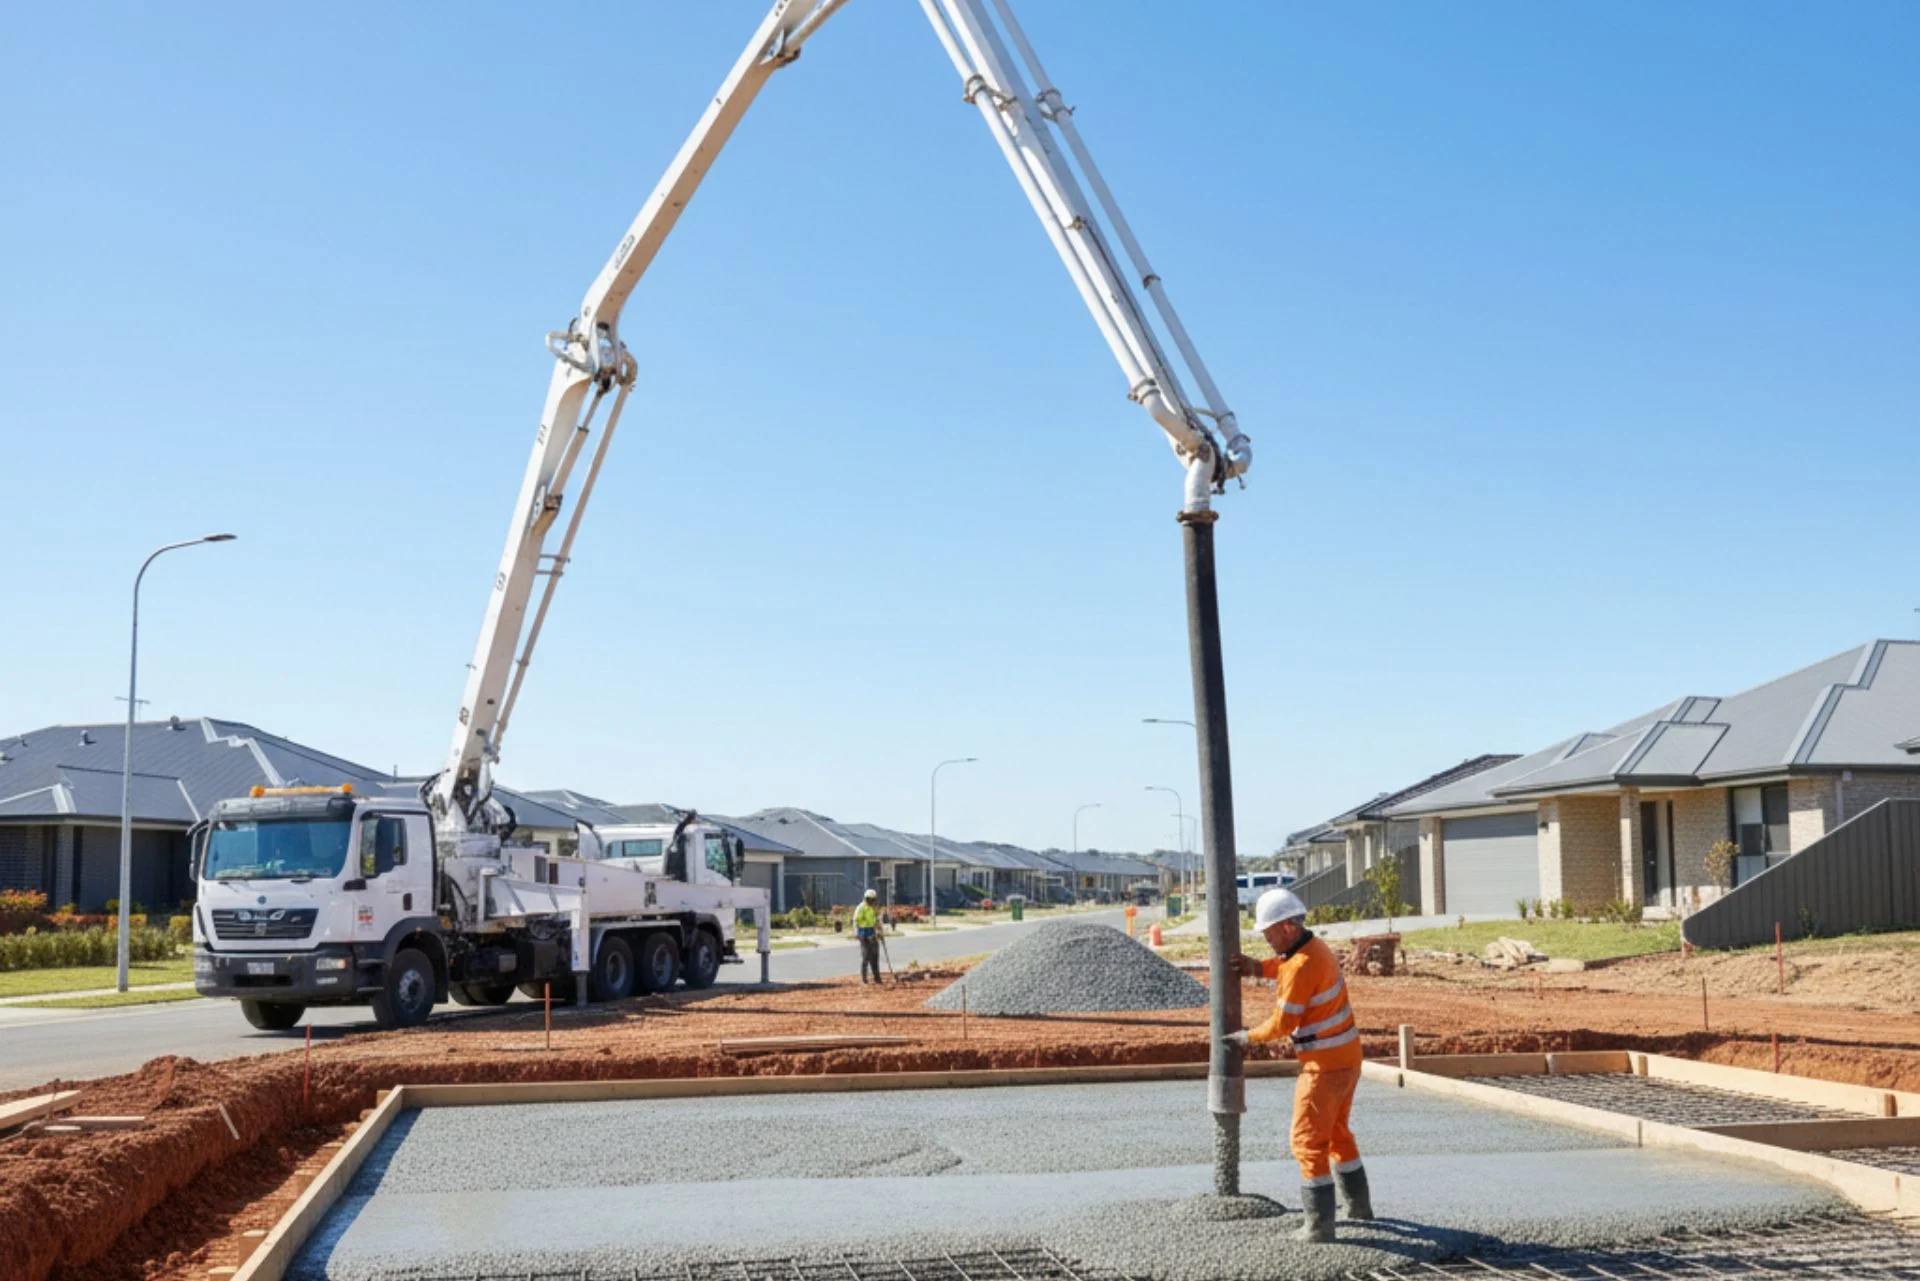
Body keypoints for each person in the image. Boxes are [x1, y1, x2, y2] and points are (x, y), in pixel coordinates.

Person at [1222, 887, 1371, 1243]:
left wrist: (1247, 1038)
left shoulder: (1301, 965)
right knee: (1337, 1132)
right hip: (1347, 1059)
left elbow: (1283, 1023)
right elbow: (1288, 966)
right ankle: (1359, 1209)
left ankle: (1319, 1227)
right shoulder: (1313, 949)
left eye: (1269, 931)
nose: (1267, 938)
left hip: (1324, 1066)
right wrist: (1257, 968)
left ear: (1288, 926)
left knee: (1306, 1141)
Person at [854, 889, 884, 984]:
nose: (871, 902)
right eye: (869, 899)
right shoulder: (861, 908)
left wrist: (880, 931)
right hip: (863, 933)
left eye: (873, 900)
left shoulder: (874, 908)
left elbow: (877, 921)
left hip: (872, 932)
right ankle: (864, 979)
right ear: (866, 899)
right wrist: (857, 933)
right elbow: (856, 921)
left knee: (875, 956)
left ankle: (877, 978)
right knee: (866, 956)